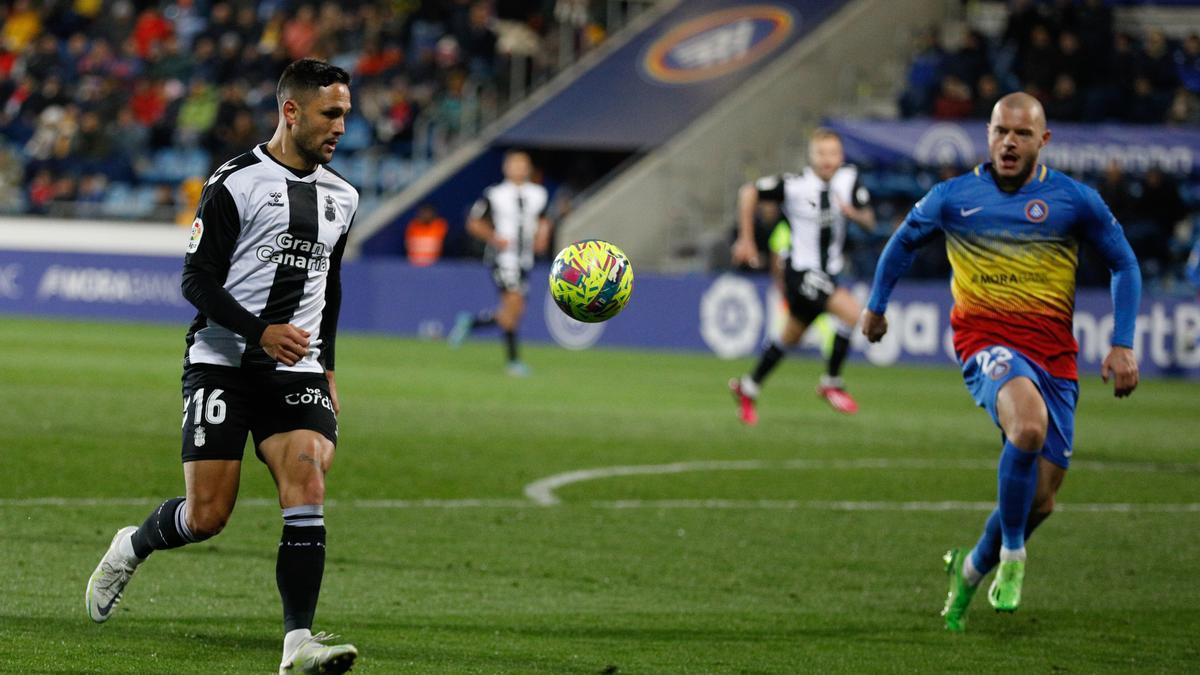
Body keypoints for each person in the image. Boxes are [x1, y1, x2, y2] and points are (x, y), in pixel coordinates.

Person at [85, 58, 360, 674]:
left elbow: (330, 283)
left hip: (297, 370)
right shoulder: (236, 183)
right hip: (222, 361)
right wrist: (260, 330)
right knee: (207, 516)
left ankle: (298, 643)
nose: (342, 127)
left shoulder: (344, 196)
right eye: (331, 114)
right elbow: (195, 280)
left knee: (308, 480)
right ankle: (131, 544)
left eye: (345, 113)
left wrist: (330, 365)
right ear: (291, 111)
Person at [861, 93, 1140, 632]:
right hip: (985, 343)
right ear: (987, 135)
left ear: (1044, 141)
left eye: (1022, 134)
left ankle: (967, 572)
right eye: (999, 132)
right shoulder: (953, 197)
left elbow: (1124, 263)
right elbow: (900, 244)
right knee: (1028, 428)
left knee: (1041, 500)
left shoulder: (1074, 200)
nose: (1008, 143)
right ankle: (1013, 558)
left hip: (1054, 358)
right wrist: (875, 306)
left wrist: (1123, 342)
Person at [729, 128, 876, 424]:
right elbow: (748, 192)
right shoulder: (794, 186)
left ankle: (749, 386)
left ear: (841, 156)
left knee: (789, 338)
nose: (827, 160)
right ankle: (831, 382)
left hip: (829, 274)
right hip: (800, 273)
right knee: (852, 315)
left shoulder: (849, 180)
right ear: (811, 156)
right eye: (821, 153)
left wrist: (854, 215)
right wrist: (747, 239)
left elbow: (870, 221)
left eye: (833, 153)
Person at [447, 149, 552, 376]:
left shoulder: (538, 194)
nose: (519, 168)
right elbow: (473, 222)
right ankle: (513, 362)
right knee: (513, 304)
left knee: (515, 312)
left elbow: (543, 220)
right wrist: (494, 238)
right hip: (503, 259)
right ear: (506, 168)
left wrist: (542, 236)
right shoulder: (494, 194)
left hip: (525, 260)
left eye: (523, 164)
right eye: (514, 164)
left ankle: (473, 323)